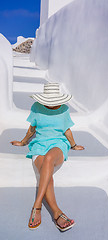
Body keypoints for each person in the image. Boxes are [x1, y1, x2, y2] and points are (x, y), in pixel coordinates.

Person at [10, 82, 84, 232]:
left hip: (58, 144)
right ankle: (57, 213)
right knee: (47, 175)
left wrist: (74, 145)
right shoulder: (37, 107)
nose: (51, 105)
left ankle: (36, 206)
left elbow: (67, 130)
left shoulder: (64, 109)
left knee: (49, 159)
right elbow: (32, 128)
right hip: (38, 145)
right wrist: (23, 142)